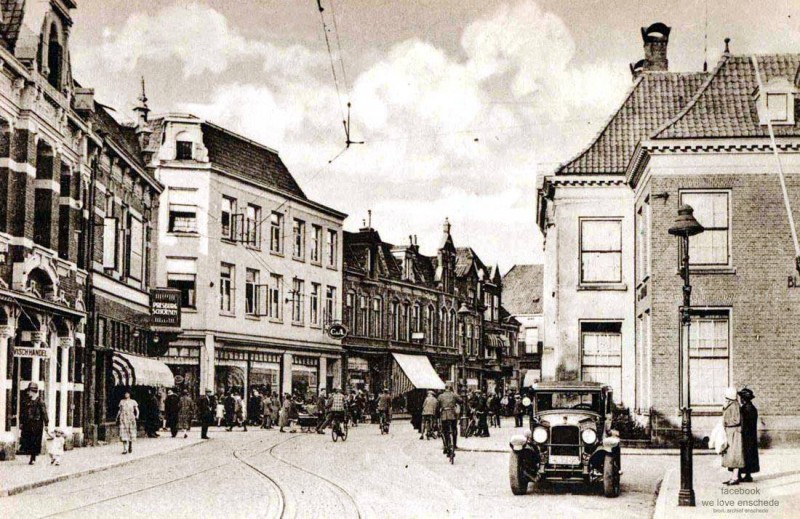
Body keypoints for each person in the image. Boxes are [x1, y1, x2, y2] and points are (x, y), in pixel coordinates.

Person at [19, 382, 48, 464]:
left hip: (37, 424)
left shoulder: (40, 401)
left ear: (33, 391)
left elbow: (44, 413)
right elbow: (23, 412)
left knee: (35, 440)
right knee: (28, 439)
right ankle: (29, 454)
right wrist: (22, 422)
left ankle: (33, 457)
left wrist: (46, 424)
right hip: (28, 424)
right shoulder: (27, 401)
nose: (28, 393)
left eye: (30, 391)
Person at [722, 387, 744, 485]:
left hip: (734, 433)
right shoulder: (730, 404)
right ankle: (733, 477)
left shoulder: (735, 405)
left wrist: (726, 422)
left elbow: (736, 420)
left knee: (735, 455)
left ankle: (735, 478)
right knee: (731, 455)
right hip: (730, 433)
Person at [738, 388, 760, 483]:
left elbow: (742, 423)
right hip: (751, 436)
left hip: (746, 436)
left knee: (744, 455)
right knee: (749, 455)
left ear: (743, 399)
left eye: (741, 398)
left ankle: (742, 474)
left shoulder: (745, 409)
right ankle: (747, 475)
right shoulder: (752, 408)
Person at [437, 383, 462, 454]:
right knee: (454, 430)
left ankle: (446, 446)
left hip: (444, 415)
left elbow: (437, 406)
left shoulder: (440, 396)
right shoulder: (454, 395)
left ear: (445, 388)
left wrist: (438, 416)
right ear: (451, 388)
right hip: (453, 415)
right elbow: (461, 401)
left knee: (444, 431)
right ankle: (454, 444)